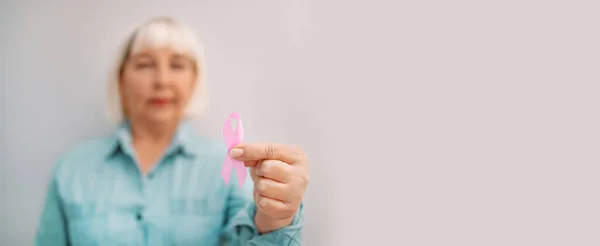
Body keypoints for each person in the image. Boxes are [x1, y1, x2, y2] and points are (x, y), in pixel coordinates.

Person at [34, 17, 309, 246]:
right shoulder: (72, 168)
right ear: (120, 79)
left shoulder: (225, 165)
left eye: (177, 65)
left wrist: (277, 216)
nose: (162, 80)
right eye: (144, 64)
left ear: (194, 80)